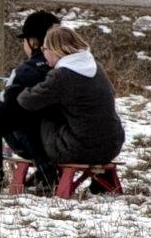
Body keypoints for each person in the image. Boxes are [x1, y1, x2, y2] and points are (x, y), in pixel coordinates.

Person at [0, 10, 60, 192]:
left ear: (33, 42)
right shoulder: (67, 66)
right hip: (66, 138)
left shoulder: (26, 72)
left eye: (24, 40)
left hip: (38, 147)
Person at [16, 25, 125, 174]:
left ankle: (44, 168)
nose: (43, 53)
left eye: (44, 49)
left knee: (39, 114)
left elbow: (27, 101)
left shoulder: (62, 75)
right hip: (112, 147)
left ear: (55, 50)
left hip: (80, 150)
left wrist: (22, 88)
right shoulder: (96, 67)